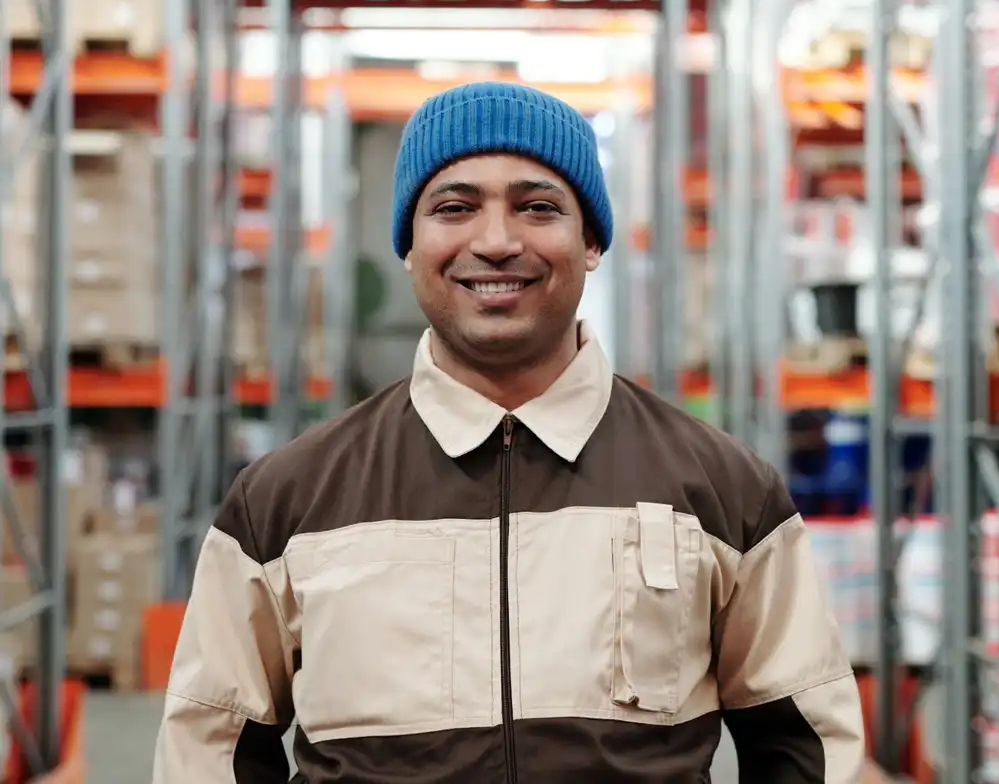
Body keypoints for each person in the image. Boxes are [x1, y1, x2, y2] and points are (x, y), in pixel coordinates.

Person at [152, 81, 865, 783]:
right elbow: (208, 750)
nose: (495, 242)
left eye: (537, 207)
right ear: (409, 244)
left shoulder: (724, 490)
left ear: (591, 242)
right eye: (455, 208)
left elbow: (807, 748)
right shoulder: (286, 500)